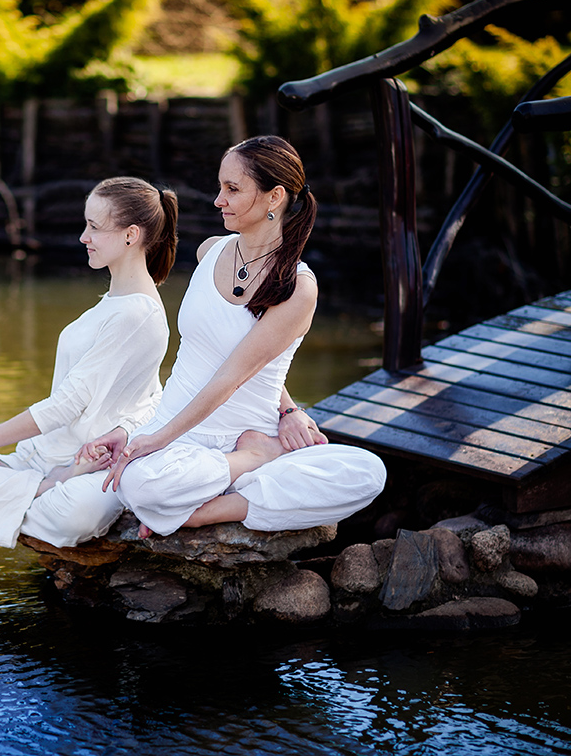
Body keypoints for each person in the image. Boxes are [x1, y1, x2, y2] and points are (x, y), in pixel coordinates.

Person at [61, 135, 386, 542]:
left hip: (241, 430)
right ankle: (246, 471)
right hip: (180, 422)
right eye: (221, 187)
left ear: (274, 197)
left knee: (369, 474)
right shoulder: (210, 252)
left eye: (232, 189)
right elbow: (224, 356)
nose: (218, 200)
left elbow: (232, 376)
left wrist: (156, 440)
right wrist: (136, 432)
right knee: (138, 482)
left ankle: (222, 493)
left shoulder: (297, 288)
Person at [0, 176, 178, 548]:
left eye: (93, 227)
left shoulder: (136, 313)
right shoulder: (114, 301)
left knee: (76, 514)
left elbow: (67, 405)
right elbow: (152, 391)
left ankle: (38, 488)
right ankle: (39, 486)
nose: (82, 237)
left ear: (130, 235)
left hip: (88, 466)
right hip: (43, 458)